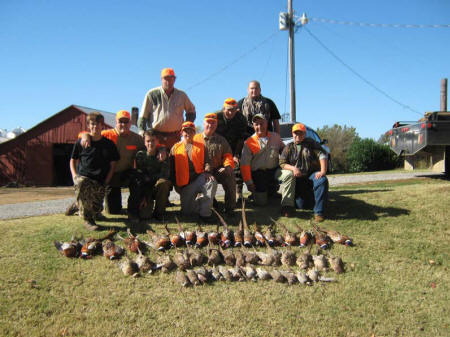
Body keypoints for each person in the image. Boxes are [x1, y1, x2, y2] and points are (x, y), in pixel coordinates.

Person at [69, 112, 119, 230]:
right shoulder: (81, 142)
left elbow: (113, 165)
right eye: (92, 124)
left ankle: (78, 205)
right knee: (82, 183)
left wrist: (106, 181)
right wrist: (75, 176)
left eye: (98, 124)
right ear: (88, 125)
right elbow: (72, 160)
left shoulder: (109, 144)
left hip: (100, 181)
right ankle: (88, 221)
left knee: (96, 209)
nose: (95, 127)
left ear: (102, 126)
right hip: (84, 179)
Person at [276, 123, 329, 221]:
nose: (298, 135)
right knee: (301, 206)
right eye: (295, 133)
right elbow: (282, 163)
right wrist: (293, 169)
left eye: (300, 133)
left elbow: (322, 155)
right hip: (297, 178)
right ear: (292, 134)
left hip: (310, 175)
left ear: (304, 134)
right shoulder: (288, 147)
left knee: (322, 180)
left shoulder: (311, 143)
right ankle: (291, 205)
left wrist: (322, 171)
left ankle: (319, 212)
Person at [138, 67, 196, 150]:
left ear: (174, 80)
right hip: (156, 137)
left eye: (171, 78)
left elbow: (191, 111)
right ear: (161, 79)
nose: (169, 81)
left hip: (175, 137)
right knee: (157, 161)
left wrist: (186, 127)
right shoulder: (152, 94)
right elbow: (143, 116)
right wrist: (142, 133)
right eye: (166, 78)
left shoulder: (181, 95)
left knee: (175, 161)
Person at [170, 121, 217, 221]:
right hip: (185, 184)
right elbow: (171, 168)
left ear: (194, 133)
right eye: (185, 131)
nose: (188, 133)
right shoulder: (175, 148)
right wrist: (176, 184)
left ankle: (206, 214)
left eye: (191, 131)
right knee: (187, 212)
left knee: (211, 182)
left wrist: (208, 172)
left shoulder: (201, 146)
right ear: (181, 133)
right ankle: (201, 202)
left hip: (199, 177)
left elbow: (207, 162)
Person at [194, 113, 236, 213]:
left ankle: (230, 208)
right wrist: (203, 172)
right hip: (200, 172)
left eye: (213, 123)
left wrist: (228, 166)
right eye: (208, 122)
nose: (210, 125)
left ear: (216, 125)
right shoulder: (195, 139)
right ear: (203, 124)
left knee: (230, 176)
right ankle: (209, 205)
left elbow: (228, 155)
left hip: (217, 170)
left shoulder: (221, 140)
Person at [127, 130, 172, 222]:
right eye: (148, 141)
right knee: (144, 215)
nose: (150, 143)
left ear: (157, 141)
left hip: (158, 188)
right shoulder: (140, 155)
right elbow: (141, 178)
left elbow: (165, 175)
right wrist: (143, 196)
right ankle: (145, 206)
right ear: (144, 142)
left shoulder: (163, 155)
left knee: (163, 183)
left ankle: (159, 213)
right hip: (146, 189)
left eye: (153, 140)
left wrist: (149, 178)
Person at [240, 113, 284, 206]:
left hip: (274, 171)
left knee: (273, 199)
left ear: (267, 123)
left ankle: (274, 192)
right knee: (262, 203)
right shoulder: (249, 142)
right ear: (253, 126)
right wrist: (249, 182)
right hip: (259, 174)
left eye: (262, 123)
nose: (259, 126)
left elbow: (285, 152)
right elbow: (244, 164)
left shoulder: (276, 137)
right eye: (256, 124)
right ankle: (257, 194)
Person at [215, 98, 249, 201]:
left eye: (233, 110)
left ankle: (239, 193)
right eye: (228, 109)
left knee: (237, 167)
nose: (230, 112)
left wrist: (236, 155)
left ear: (237, 110)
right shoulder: (216, 117)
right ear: (223, 108)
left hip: (234, 149)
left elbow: (241, 138)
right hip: (218, 149)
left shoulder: (241, 119)